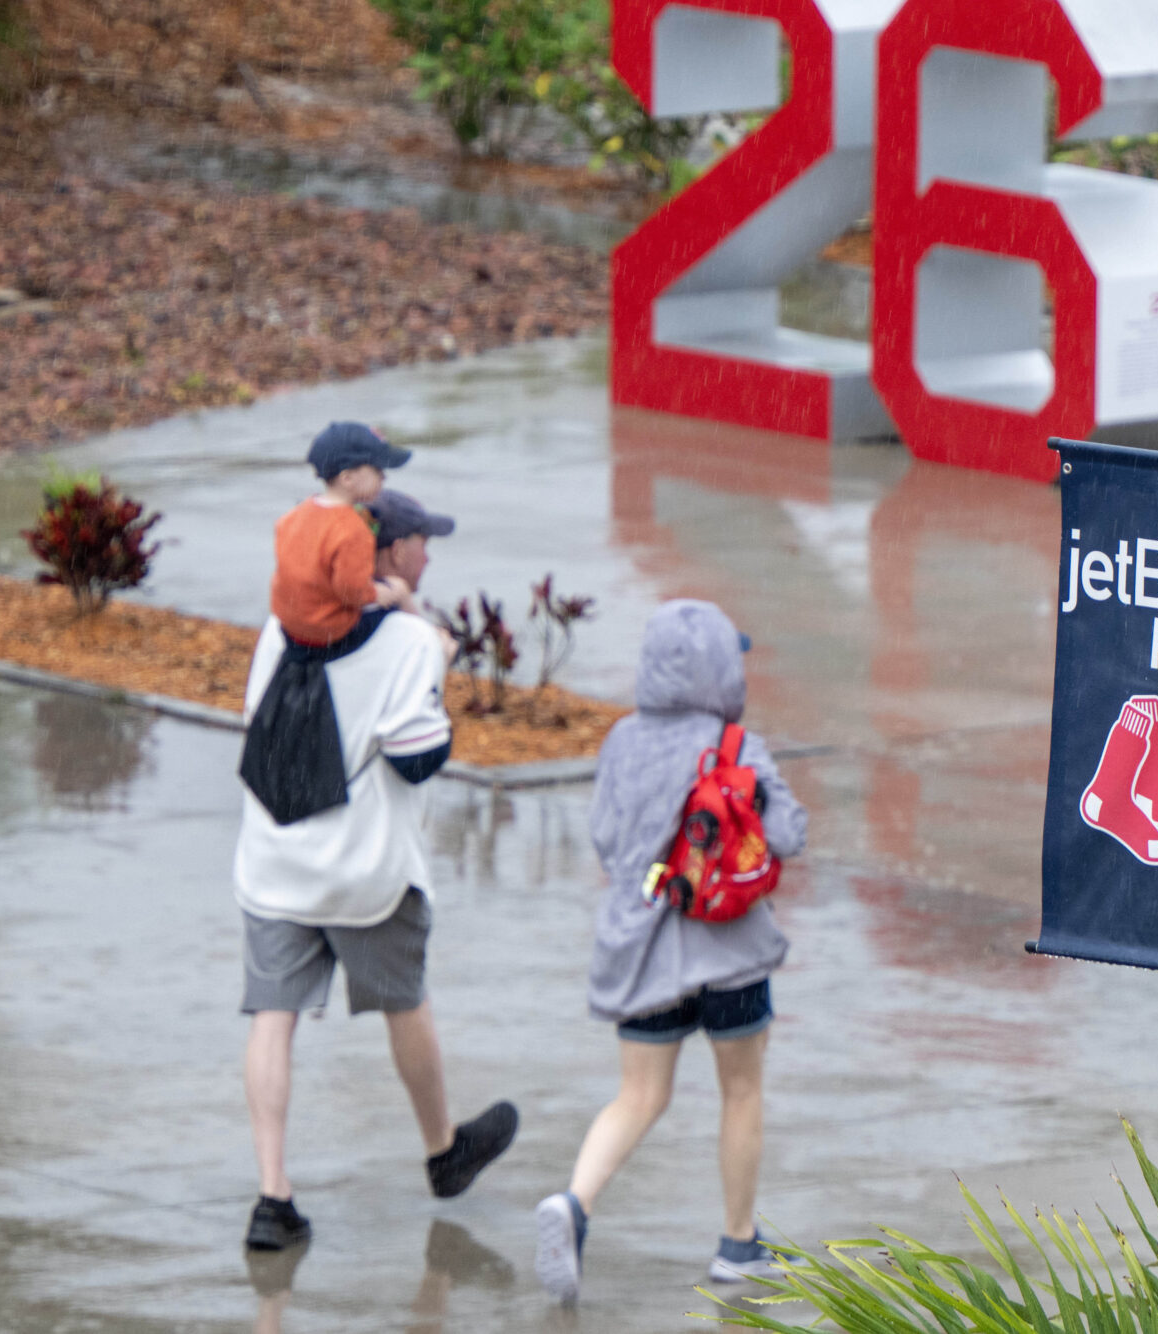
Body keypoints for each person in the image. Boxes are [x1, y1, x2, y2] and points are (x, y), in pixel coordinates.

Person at [236, 485, 516, 1254]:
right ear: (387, 554)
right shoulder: (407, 643)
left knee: (272, 1017)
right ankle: (442, 1150)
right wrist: (432, 653)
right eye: (424, 541)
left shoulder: (277, 628)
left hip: (274, 861)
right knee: (404, 997)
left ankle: (272, 1196)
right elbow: (419, 757)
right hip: (364, 869)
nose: (431, 553)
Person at [533, 600, 807, 1301]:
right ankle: (737, 1244)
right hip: (730, 947)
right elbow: (787, 834)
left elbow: (604, 839)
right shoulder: (737, 745)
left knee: (638, 1095)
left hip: (642, 947)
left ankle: (574, 1202)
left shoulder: (621, 741)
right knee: (741, 1090)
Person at [271, 422, 411, 647]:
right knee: (398, 595)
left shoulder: (295, 515)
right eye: (378, 470)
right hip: (329, 633)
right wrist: (378, 594)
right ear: (347, 478)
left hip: (290, 626)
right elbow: (351, 593)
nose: (384, 478)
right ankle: (430, 646)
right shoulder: (353, 529)